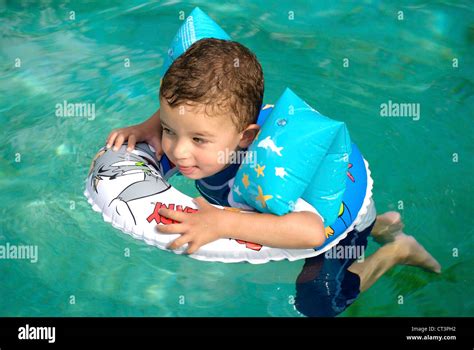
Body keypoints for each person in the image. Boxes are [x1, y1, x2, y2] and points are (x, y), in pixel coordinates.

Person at [105, 38, 441, 316]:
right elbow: (183, 115)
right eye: (168, 130)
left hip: (335, 217)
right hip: (306, 196)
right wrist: (147, 129)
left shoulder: (271, 173)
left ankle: (395, 249)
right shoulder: (209, 127)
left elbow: (310, 230)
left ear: (246, 138)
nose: (178, 152)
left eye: (197, 140)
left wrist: (222, 223)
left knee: (318, 301)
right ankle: (382, 224)